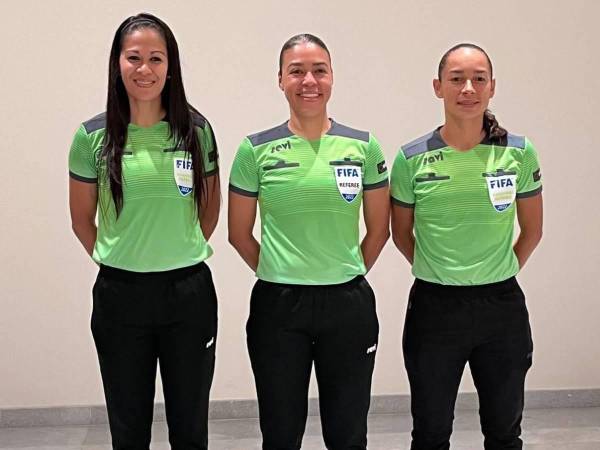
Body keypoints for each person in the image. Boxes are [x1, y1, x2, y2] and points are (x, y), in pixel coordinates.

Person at [228, 33, 390, 450]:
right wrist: (282, 271)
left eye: (319, 70)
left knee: (348, 432)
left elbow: (379, 230)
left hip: (348, 305)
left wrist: (344, 270)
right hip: (279, 307)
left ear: (333, 77)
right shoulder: (254, 149)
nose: (309, 81)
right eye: (296, 71)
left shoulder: (363, 146)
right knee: (281, 432)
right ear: (280, 79)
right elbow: (238, 234)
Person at [68, 13, 219, 450]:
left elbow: (209, 210)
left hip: (188, 295)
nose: (144, 69)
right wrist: (124, 256)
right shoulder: (91, 137)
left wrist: (177, 249)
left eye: (156, 58)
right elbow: (82, 220)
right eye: (134, 57)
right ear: (118, 63)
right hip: (120, 297)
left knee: (190, 426)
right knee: (128, 427)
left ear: (170, 66)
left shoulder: (196, 130)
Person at [390, 43, 543, 450]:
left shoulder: (519, 152)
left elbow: (532, 231)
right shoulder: (411, 159)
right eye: (457, 79)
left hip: (501, 310)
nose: (468, 88)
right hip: (434, 309)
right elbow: (401, 234)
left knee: (504, 431)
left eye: (478, 79)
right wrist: (442, 269)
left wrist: (494, 270)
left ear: (492, 87)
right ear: (438, 87)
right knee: (431, 432)